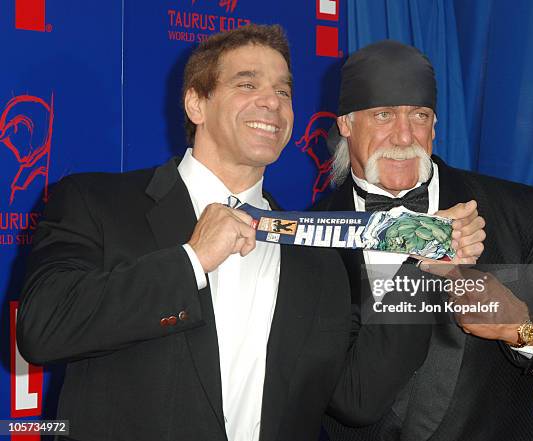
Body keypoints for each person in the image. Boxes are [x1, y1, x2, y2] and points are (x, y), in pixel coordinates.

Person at [16, 27, 485, 441]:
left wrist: (421, 272)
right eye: (247, 84)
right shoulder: (95, 201)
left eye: (284, 92)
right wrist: (192, 260)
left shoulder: (315, 250)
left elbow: (356, 398)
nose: (272, 102)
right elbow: (42, 330)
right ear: (196, 103)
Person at [318, 41, 533, 441]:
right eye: (383, 115)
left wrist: (520, 326)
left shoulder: (523, 213)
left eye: (419, 116)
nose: (404, 136)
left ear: (435, 126)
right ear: (346, 125)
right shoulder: (310, 239)